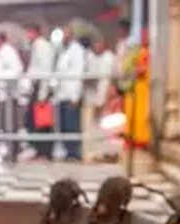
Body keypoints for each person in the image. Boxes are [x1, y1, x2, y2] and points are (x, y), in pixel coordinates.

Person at [23, 23, 55, 160]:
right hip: (36, 87)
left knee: (42, 122)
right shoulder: (36, 46)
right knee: (34, 121)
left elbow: (44, 69)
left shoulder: (43, 46)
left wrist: (43, 93)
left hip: (41, 87)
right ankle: (39, 150)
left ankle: (44, 151)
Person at [55, 27, 86, 161]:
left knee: (72, 124)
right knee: (65, 126)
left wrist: (75, 96)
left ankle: (74, 153)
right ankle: (68, 151)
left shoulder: (76, 50)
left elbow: (78, 73)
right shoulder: (63, 51)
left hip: (71, 94)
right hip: (62, 94)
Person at [124, 28, 151, 147]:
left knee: (142, 115)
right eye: (143, 36)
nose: (144, 38)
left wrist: (139, 69)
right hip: (136, 86)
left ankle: (142, 139)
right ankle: (132, 138)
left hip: (145, 87)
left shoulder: (149, 52)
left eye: (146, 36)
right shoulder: (138, 52)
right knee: (132, 114)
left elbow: (143, 68)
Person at [88, 37, 117, 111]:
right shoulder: (94, 57)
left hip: (108, 90)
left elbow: (114, 74)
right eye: (96, 45)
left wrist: (112, 88)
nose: (97, 47)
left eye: (99, 45)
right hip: (97, 91)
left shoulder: (110, 57)